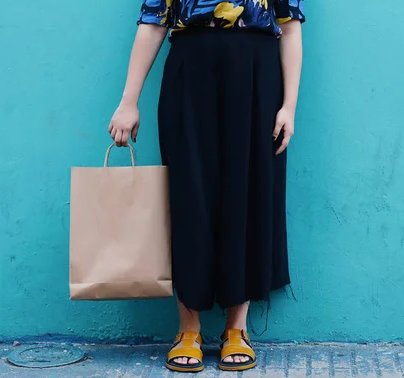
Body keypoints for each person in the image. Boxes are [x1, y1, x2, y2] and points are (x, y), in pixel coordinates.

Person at [108, 0, 304, 372]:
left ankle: (237, 328)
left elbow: (290, 27)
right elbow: (153, 22)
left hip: (258, 73)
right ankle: (188, 329)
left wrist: (289, 106)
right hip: (190, 68)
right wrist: (128, 101)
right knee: (188, 194)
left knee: (248, 192)